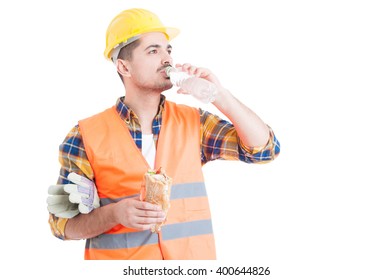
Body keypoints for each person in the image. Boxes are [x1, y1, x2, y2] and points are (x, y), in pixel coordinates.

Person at [47, 8, 280, 260]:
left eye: (168, 50)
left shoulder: (195, 123)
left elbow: (264, 150)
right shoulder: (84, 135)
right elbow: (62, 226)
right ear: (124, 66)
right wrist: (114, 214)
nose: (167, 58)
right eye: (153, 51)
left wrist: (220, 95)